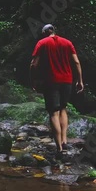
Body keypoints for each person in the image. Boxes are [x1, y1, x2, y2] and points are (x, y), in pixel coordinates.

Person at [30, 24, 84, 157]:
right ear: (54, 30)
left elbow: (33, 64)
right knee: (63, 109)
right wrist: (80, 80)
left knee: (54, 113)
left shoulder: (42, 43)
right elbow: (76, 62)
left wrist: (33, 80)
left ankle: (59, 148)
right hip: (67, 81)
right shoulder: (67, 43)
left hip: (51, 81)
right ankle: (65, 140)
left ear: (44, 33)